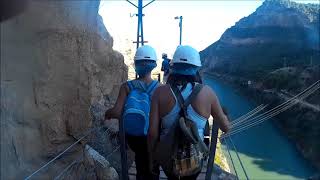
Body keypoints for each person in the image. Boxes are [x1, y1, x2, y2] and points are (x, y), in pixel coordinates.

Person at [148, 45, 230, 180]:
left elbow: (152, 133)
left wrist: (152, 159)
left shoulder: (159, 92)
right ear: (196, 68)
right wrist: (226, 116)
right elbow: (225, 128)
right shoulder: (208, 93)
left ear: (173, 67)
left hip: (168, 158)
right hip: (194, 158)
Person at [105, 45, 160, 180]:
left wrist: (108, 113)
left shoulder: (127, 86)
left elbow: (117, 112)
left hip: (134, 135)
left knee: (141, 162)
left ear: (136, 64)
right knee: (153, 165)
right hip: (153, 134)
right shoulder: (160, 89)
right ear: (154, 65)